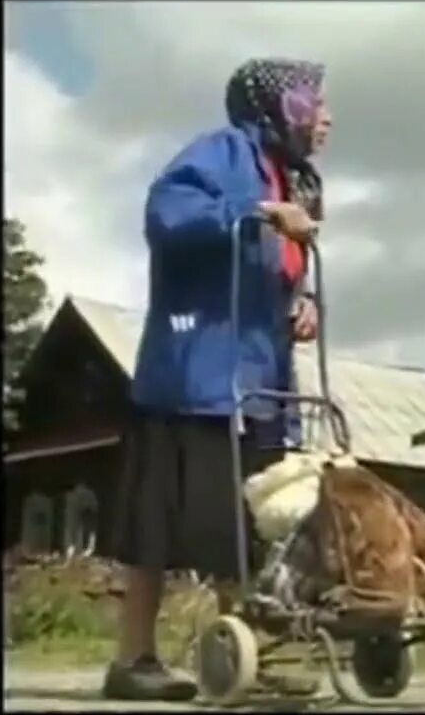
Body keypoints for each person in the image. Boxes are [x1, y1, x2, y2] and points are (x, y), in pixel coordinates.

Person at [99, 57, 334, 702]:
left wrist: (302, 300)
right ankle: (133, 661)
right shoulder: (223, 155)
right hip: (193, 371)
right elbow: (167, 216)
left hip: (259, 384)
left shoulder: (294, 180)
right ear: (274, 109)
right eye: (312, 104)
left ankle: (242, 658)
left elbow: (280, 268)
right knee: (160, 520)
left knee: (251, 525)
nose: (325, 118)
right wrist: (258, 209)